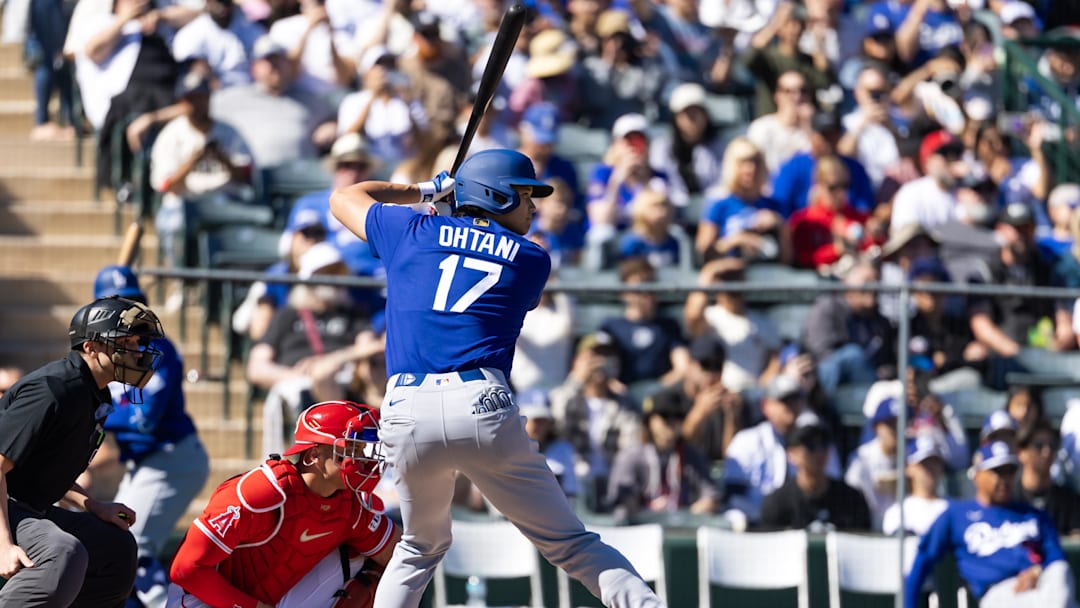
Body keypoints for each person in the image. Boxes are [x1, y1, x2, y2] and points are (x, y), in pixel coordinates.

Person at [329, 148, 665, 608]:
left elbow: (346, 196)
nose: (534, 206)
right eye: (525, 194)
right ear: (497, 194)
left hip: (407, 408)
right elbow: (471, 255)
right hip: (481, 403)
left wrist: (428, 192)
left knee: (417, 547)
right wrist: (450, 219)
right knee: (570, 543)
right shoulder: (532, 258)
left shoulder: (411, 230)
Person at [0, 295, 165, 605]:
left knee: (115, 547)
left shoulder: (91, 393)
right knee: (62, 553)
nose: (136, 351)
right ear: (90, 347)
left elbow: (42, 474)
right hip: (5, 511)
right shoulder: (52, 390)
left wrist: (92, 504)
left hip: (26, 507)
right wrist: (3, 544)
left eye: (137, 342)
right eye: (125, 341)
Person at [167, 401, 400, 608]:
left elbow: (403, 554)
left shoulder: (351, 504)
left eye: (361, 450)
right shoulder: (262, 492)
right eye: (350, 450)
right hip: (205, 600)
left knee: (369, 570)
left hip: (266, 599)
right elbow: (186, 569)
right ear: (313, 456)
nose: (361, 460)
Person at [92, 264, 211, 608]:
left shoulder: (156, 351)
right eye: (115, 308)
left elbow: (145, 419)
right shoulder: (101, 356)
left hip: (173, 459)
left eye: (130, 306)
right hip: (146, 462)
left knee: (135, 544)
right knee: (115, 538)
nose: (125, 317)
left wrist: (92, 408)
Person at [905, 441, 1077, 608]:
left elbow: (1056, 557)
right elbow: (921, 561)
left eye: (1010, 471)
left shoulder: (1033, 515)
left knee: (1060, 572)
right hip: (1000, 594)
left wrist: (1037, 571)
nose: (1005, 478)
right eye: (997, 471)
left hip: (1043, 588)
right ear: (977, 475)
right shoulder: (956, 515)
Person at [760, 420, 871, 532]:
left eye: (824, 445)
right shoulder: (778, 503)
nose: (819, 453)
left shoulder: (851, 500)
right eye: (811, 446)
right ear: (792, 454)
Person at [1017, 419, 1080, 537]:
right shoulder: (1010, 498)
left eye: (1052, 445)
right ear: (1021, 452)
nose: (1047, 452)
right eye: (1039, 446)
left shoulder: (1070, 500)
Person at [881, 434, 948, 536]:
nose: (930, 469)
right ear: (909, 468)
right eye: (924, 464)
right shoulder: (897, 513)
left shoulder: (953, 509)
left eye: (934, 462)